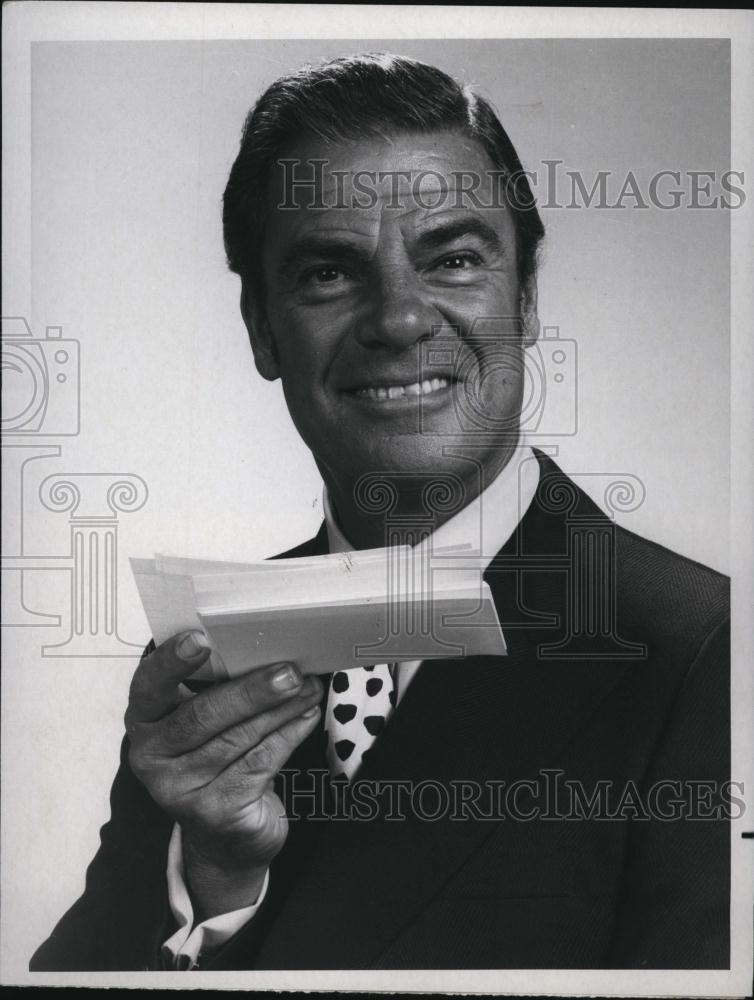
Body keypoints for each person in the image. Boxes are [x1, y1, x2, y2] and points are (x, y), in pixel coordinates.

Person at [30, 52, 730, 973]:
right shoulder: (203, 663)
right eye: (328, 272)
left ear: (524, 297)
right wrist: (213, 882)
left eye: (453, 259)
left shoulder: (706, 650)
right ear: (261, 328)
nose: (399, 320)